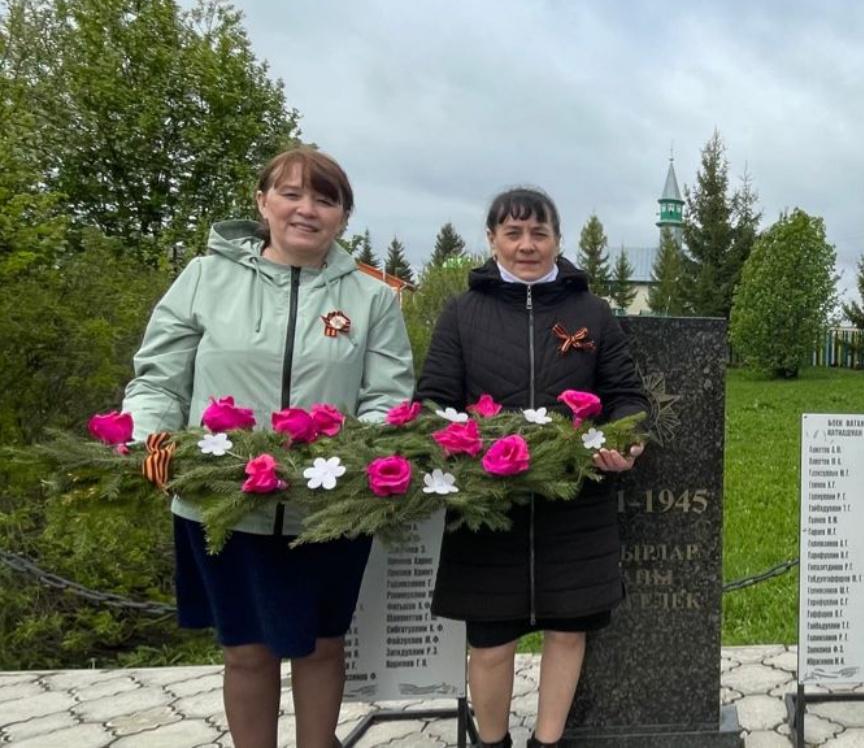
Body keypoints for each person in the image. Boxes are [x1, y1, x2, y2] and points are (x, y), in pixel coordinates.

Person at [122, 146, 415, 748]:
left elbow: (388, 397)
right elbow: (158, 376)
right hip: (223, 503)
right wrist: (148, 437)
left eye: (325, 199)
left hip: (328, 509)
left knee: (322, 645)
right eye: (291, 194)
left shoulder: (372, 299)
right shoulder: (205, 278)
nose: (307, 210)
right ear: (262, 202)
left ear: (343, 215)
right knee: (246, 652)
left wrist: (366, 462)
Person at [419, 187, 648, 748]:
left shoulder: (590, 313)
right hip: (486, 503)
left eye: (539, 233)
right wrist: (457, 447)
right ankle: (492, 742)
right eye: (514, 233)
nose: (527, 245)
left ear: (557, 240)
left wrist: (627, 441)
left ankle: (548, 742)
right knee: (491, 643)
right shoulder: (462, 313)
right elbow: (433, 401)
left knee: (568, 633)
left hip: (574, 500)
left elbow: (625, 396)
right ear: (492, 239)